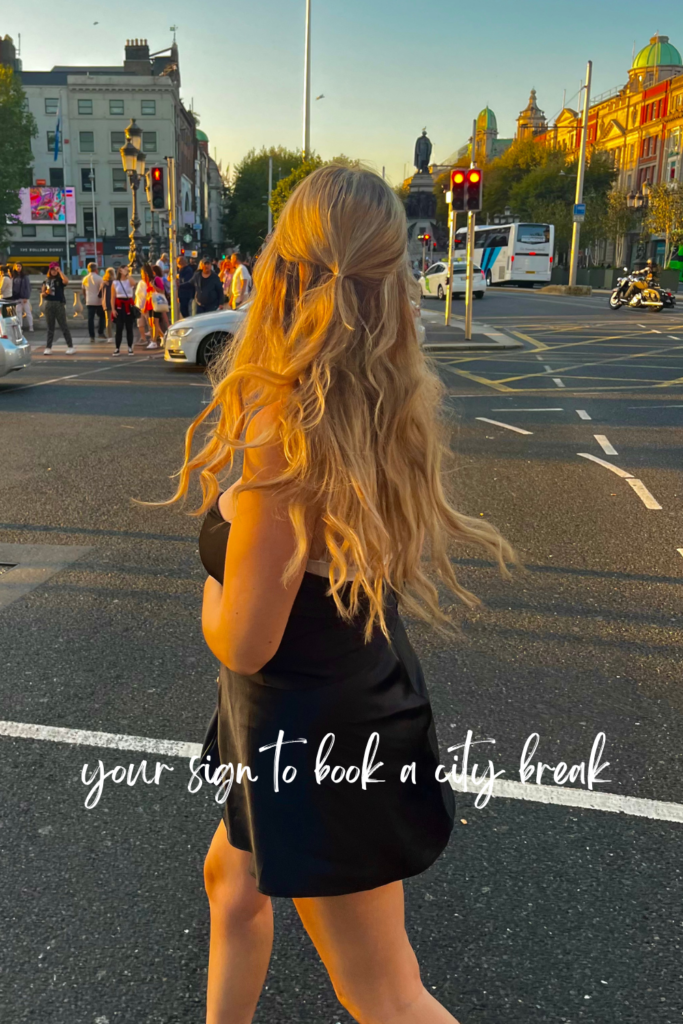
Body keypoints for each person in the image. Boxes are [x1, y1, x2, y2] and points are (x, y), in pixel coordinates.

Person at [165, 165, 514, 1024]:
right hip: (330, 702)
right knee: (231, 880)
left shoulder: (288, 423)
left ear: (284, 266)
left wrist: (208, 592)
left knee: (385, 992)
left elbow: (244, 636)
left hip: (312, 734)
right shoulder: (374, 397)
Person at [41, 262, 74, 354]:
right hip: (49, 304)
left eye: (55, 269)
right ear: (49, 270)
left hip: (59, 303)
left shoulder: (60, 279)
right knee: (50, 326)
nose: (54, 271)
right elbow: (42, 294)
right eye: (52, 269)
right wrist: (46, 292)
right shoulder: (46, 280)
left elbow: (66, 281)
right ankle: (48, 347)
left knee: (63, 325)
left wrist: (60, 272)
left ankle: (70, 346)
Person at [111, 265, 137, 355]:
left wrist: (128, 275)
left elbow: (134, 283)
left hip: (128, 305)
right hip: (119, 306)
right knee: (119, 328)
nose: (126, 271)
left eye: (127, 270)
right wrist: (113, 309)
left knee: (129, 327)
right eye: (124, 270)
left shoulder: (129, 281)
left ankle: (130, 347)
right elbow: (112, 297)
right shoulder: (115, 282)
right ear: (120, 271)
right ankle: (117, 348)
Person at [82, 262, 106, 343]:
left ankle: (92, 336)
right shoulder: (99, 278)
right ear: (96, 269)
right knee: (102, 317)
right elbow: (102, 290)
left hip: (89, 301)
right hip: (99, 301)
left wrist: (86, 298)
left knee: (90, 319)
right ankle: (100, 332)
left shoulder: (85, 278)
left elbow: (83, 290)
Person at [11, 263, 33, 332]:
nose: (18, 268)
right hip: (16, 297)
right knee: (18, 312)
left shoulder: (25, 276)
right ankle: (20, 326)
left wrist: (26, 297)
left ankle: (31, 326)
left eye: (19, 266)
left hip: (24, 297)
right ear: (14, 267)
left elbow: (28, 287)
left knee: (28, 312)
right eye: (17, 266)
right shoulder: (13, 276)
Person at [134, 272, 150, 345]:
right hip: (139, 306)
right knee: (140, 324)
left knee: (149, 323)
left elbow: (148, 295)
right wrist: (135, 304)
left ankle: (153, 340)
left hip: (147, 306)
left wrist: (146, 306)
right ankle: (143, 338)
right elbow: (137, 294)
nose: (143, 277)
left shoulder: (149, 283)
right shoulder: (140, 282)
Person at [100, 268, 115, 341]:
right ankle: (116, 333)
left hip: (105, 303)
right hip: (114, 302)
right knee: (116, 319)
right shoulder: (115, 282)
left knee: (108, 320)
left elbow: (99, 294)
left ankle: (109, 336)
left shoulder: (103, 283)